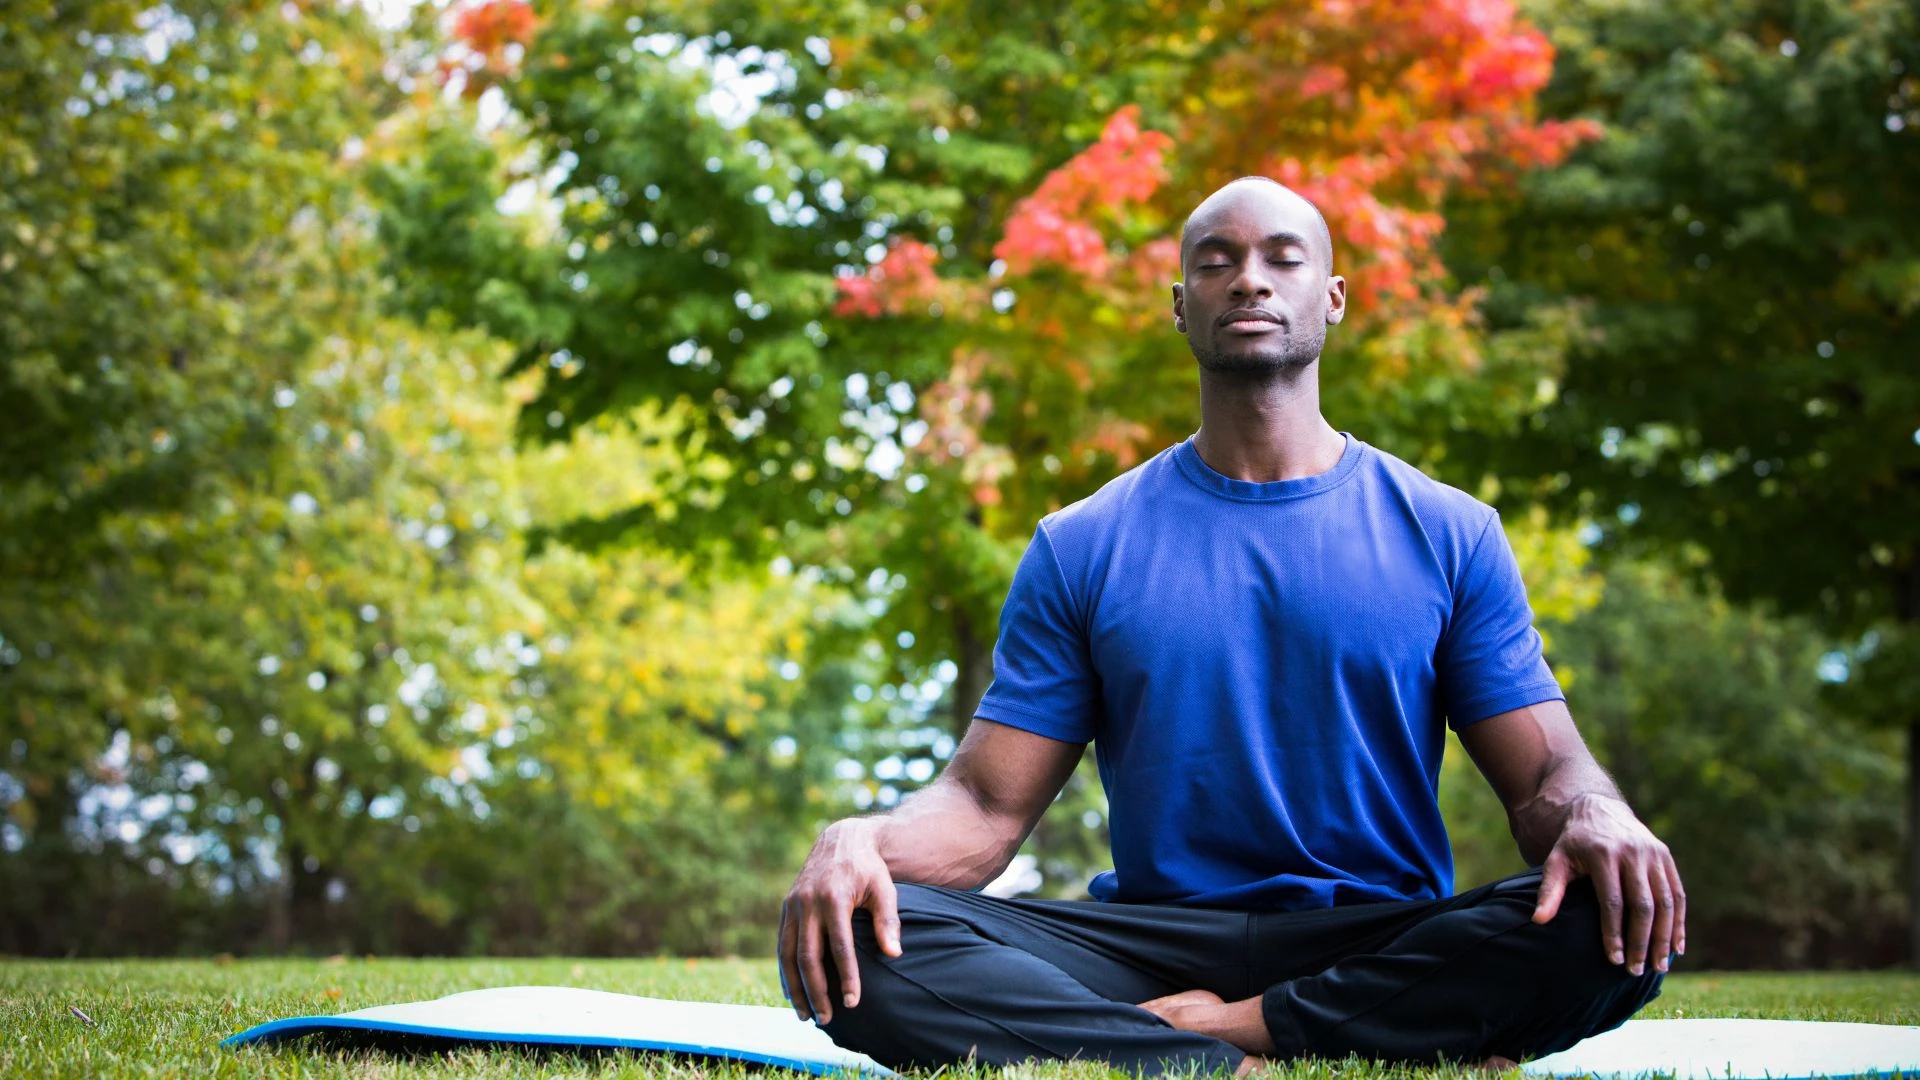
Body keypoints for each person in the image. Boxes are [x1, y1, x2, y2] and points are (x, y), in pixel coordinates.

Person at [777, 177, 1683, 1075]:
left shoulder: (1449, 532)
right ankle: (1270, 1053)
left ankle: (1225, 1033)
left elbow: (1543, 783)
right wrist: (862, 841)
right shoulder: (1082, 543)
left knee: (1609, 909)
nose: (1250, 280)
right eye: (1218, 263)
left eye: (1283, 260)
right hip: (1149, 942)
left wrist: (1598, 812)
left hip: (1375, 933)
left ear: (1331, 299)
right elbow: (983, 809)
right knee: (858, 932)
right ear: (1182, 306)